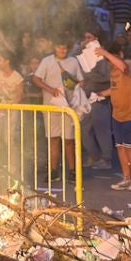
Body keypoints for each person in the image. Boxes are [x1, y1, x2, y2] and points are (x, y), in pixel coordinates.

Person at [92, 38, 131, 191]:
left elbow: (123, 67)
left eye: (111, 58)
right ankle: (126, 177)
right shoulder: (112, 70)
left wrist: (105, 53)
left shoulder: (130, 64)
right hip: (117, 115)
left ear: (119, 54)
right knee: (120, 147)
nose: (110, 62)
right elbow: (114, 88)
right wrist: (100, 94)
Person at [32, 39, 84, 180]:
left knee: (69, 140)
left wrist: (73, 85)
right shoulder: (47, 61)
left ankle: (72, 171)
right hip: (51, 105)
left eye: (65, 48)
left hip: (68, 106)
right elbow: (36, 79)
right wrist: (50, 89)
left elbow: (81, 81)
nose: (62, 50)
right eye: (60, 47)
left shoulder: (73, 62)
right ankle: (53, 170)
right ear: (55, 48)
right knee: (53, 139)